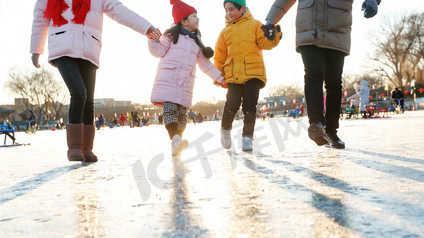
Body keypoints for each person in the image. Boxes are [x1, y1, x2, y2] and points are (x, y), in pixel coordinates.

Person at [30, 0, 159, 162]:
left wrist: (146, 28)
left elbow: (120, 11)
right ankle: (75, 147)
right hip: (62, 48)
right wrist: (36, 50)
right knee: (78, 93)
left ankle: (87, 148)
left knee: (89, 99)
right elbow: (40, 19)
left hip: (89, 47)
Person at [264, 0, 381, 149]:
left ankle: (332, 131)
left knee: (334, 82)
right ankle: (316, 124)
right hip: (309, 31)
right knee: (314, 74)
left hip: (337, 31)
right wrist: (270, 19)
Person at [148, 0, 225, 156]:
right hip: (168, 81)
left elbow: (205, 65)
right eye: (194, 16)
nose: (198, 19)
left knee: (182, 117)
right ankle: (175, 139)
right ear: (183, 21)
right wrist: (152, 39)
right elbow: (158, 51)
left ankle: (176, 144)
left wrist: (221, 78)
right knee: (170, 111)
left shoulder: (197, 42)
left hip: (185, 85)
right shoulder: (170, 35)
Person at [215, 0, 282, 152]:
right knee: (232, 104)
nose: (228, 13)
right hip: (233, 75)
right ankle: (225, 129)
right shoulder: (225, 32)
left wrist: (273, 35)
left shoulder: (255, 25)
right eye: (226, 10)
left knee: (249, 107)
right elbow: (219, 56)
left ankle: (247, 138)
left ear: (242, 8)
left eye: (231, 9)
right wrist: (218, 76)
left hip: (253, 73)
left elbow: (266, 44)